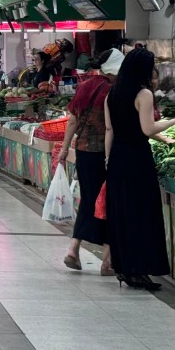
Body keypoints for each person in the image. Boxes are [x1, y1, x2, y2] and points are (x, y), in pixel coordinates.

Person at [105, 48, 175, 291]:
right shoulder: (143, 94)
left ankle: (126, 268)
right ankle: (139, 269)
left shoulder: (112, 93)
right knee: (142, 212)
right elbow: (147, 129)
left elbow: (109, 129)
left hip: (119, 158)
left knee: (122, 213)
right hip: (136, 157)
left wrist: (108, 159)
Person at [58, 49, 124, 276]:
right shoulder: (112, 90)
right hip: (104, 153)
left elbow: (72, 120)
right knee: (105, 203)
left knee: (89, 200)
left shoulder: (84, 86)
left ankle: (76, 250)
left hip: (83, 150)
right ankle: (105, 260)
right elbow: (111, 127)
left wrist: (65, 148)